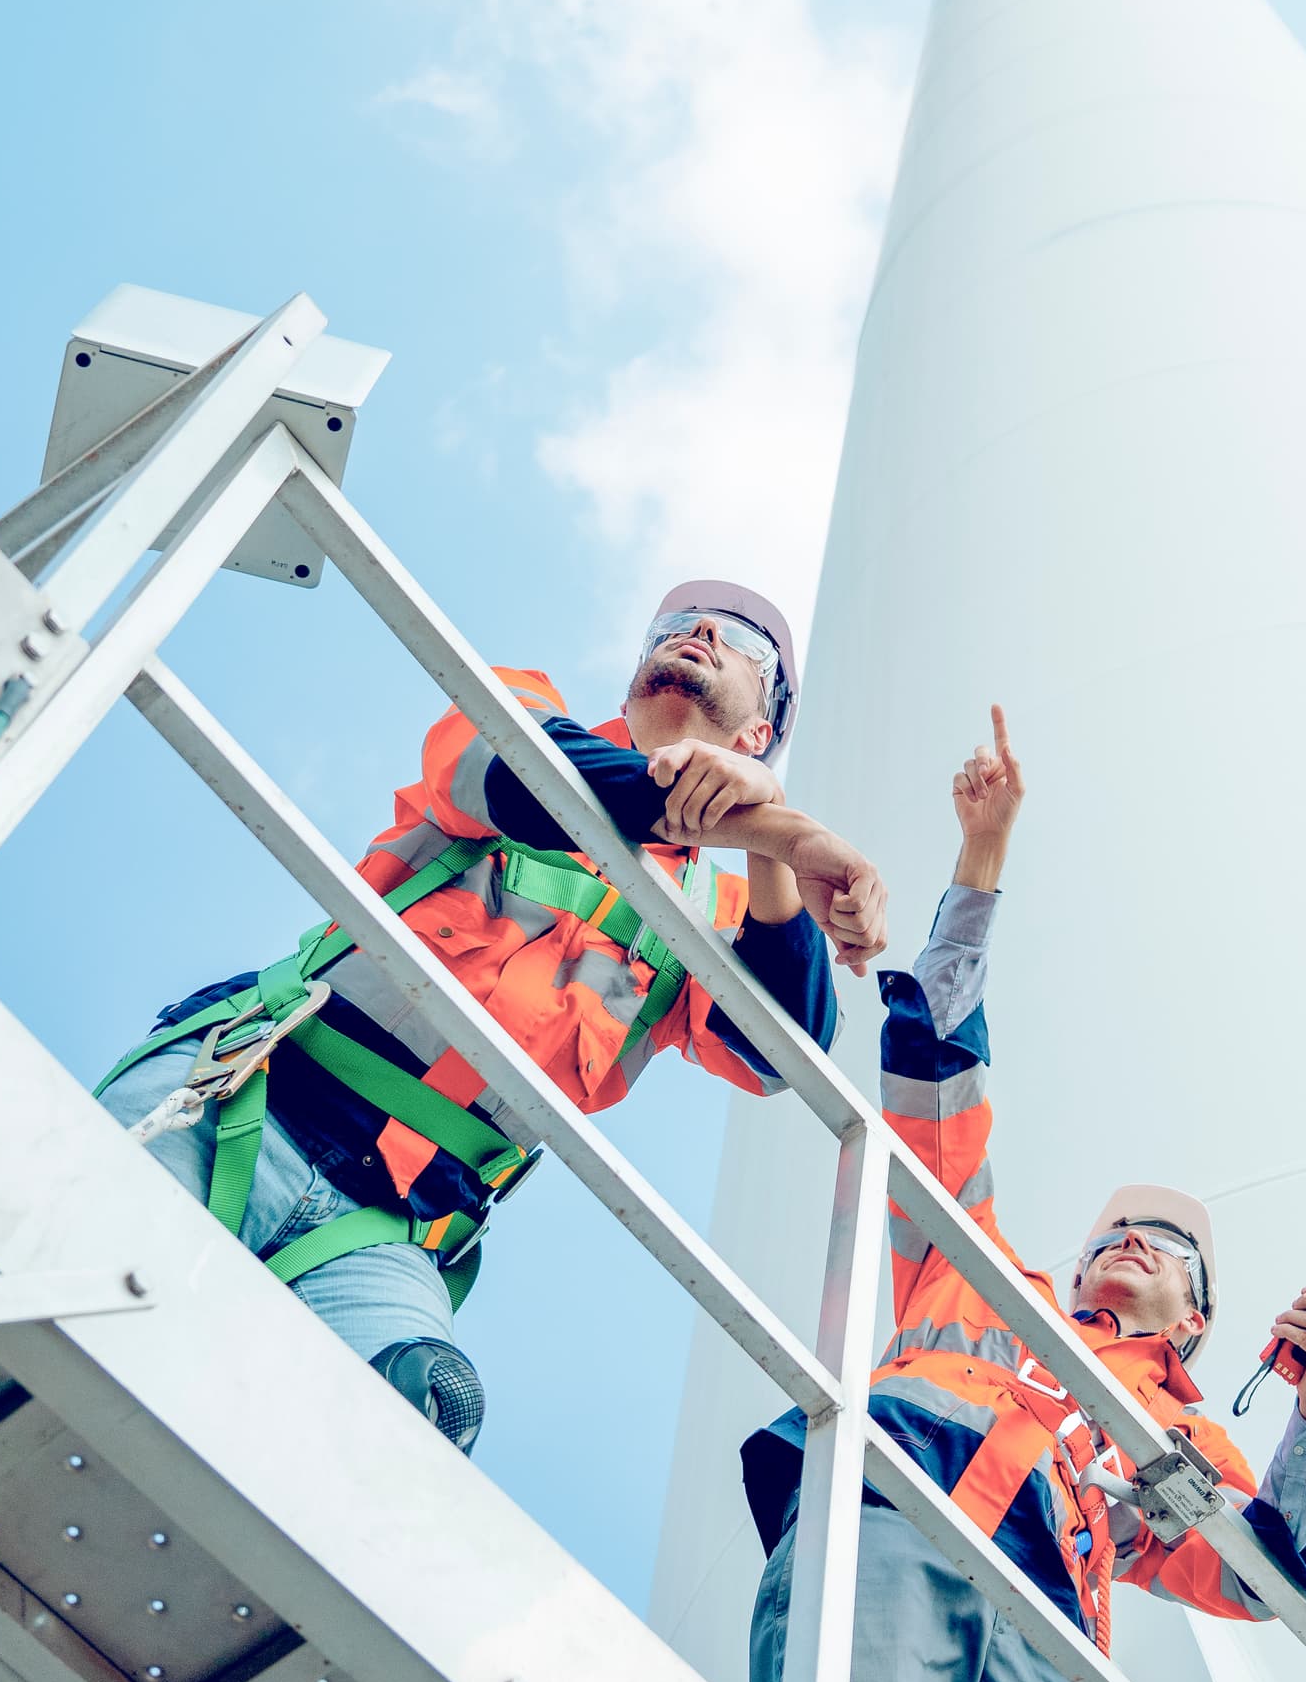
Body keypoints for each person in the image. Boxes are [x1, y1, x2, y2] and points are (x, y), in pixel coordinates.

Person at [738, 710, 1306, 1682]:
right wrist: (981, 859)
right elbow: (934, 1065)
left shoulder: (1183, 1434)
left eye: (1166, 1245)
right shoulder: (968, 1268)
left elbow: (1273, 1567)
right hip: (895, 1502)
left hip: (1048, 1598)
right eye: (1112, 1232)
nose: (1128, 1240)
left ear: (1193, 1319)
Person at [96, 582, 888, 1450]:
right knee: (50, 1247)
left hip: (385, 1229)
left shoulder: (713, 912)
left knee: (417, 1432)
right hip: (243, 1097)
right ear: (631, 685)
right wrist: (778, 827)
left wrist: (771, 844)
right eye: (675, 622)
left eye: (740, 638)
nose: (697, 628)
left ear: (758, 736)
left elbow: (785, 1052)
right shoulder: (522, 711)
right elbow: (521, 775)